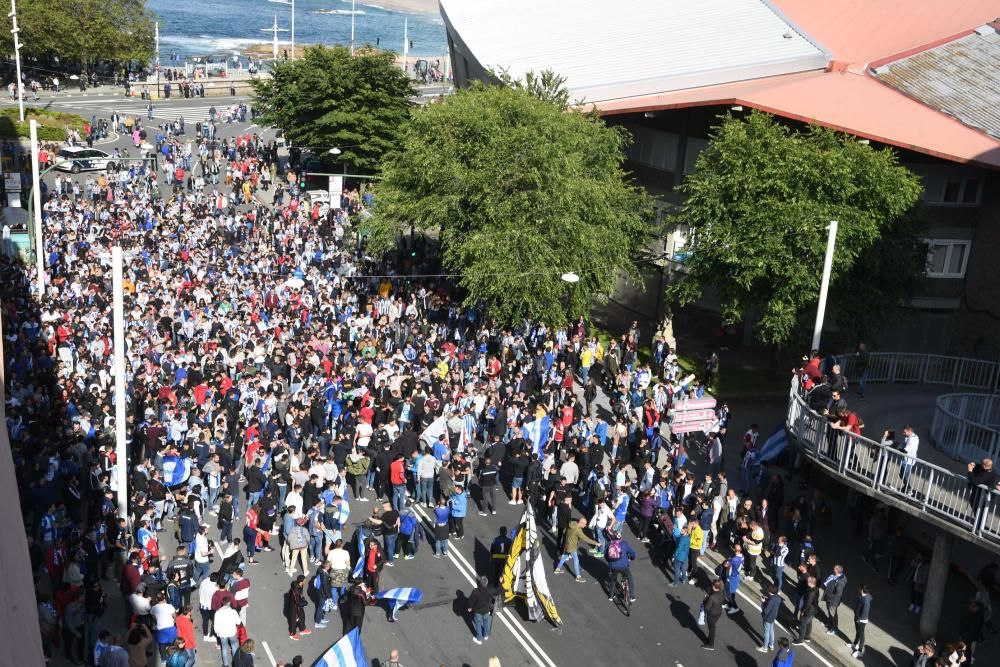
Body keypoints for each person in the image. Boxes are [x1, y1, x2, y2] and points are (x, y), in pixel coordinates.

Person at [554, 517, 598, 582]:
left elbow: (564, 531)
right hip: (572, 547)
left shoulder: (571, 524)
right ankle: (578, 576)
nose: (585, 526)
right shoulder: (578, 530)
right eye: (585, 524)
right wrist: (596, 543)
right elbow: (585, 539)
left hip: (566, 545)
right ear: (581, 523)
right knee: (576, 560)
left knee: (565, 557)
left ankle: (557, 569)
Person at [604, 529, 637, 602]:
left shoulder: (609, 544)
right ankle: (632, 596)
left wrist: (610, 562)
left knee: (613, 579)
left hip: (613, 566)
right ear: (620, 537)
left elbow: (606, 556)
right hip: (624, 566)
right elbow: (633, 553)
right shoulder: (625, 544)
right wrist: (632, 558)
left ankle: (611, 596)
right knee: (630, 578)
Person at [467, 576, 497, 645]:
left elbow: (471, 601)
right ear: (487, 583)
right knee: (486, 623)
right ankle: (486, 635)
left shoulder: (475, 591)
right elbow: (497, 591)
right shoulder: (490, 590)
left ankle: (479, 639)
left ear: (479, 583)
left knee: (478, 624)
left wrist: (470, 607)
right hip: (487, 611)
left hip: (478, 611)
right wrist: (501, 583)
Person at [213, 598, 241, 667]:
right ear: (228, 603)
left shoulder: (218, 613)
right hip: (232, 632)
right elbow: (238, 622)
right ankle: (235, 663)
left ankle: (225, 664)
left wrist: (217, 633)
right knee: (234, 646)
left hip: (223, 634)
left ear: (222, 603)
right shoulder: (233, 612)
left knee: (224, 648)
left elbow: (216, 625)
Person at [792, 576, 819, 645]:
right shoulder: (816, 589)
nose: (807, 583)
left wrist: (803, 611)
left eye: (808, 582)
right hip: (813, 610)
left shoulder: (810, 593)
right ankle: (807, 636)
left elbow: (807, 603)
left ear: (811, 583)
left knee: (802, 624)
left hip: (807, 610)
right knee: (809, 622)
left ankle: (800, 640)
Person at [822, 564, 847, 635]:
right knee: (830, 612)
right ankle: (829, 623)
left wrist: (833, 602)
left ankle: (834, 628)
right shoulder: (834, 575)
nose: (833, 568)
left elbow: (838, 594)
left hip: (833, 601)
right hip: (829, 598)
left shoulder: (840, 582)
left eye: (835, 568)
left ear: (837, 570)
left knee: (833, 614)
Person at [701, 578, 725, 650]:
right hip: (718, 612)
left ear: (714, 587)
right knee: (712, 627)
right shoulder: (722, 593)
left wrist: (705, 600)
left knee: (711, 629)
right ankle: (709, 640)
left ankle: (711, 645)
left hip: (711, 614)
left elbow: (707, 608)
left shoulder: (712, 597)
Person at [284, 576, 310, 640]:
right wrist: (304, 603)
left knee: (302, 616)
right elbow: (297, 601)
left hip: (297, 606)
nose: (305, 581)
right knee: (294, 621)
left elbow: (300, 596)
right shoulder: (296, 589)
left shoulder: (299, 586)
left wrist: (302, 599)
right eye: (304, 580)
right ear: (301, 581)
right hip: (294, 608)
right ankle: (292, 634)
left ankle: (302, 629)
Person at [851, 583, 872, 658]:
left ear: (862, 590)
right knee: (858, 632)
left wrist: (858, 619)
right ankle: (855, 644)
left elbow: (864, 613)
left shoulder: (865, 601)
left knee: (861, 634)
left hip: (861, 620)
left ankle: (860, 650)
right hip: (858, 618)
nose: (858, 589)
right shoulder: (863, 596)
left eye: (859, 588)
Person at [759, 584, 781, 653]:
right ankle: (771, 644)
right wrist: (766, 601)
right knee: (771, 630)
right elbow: (772, 604)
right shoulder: (778, 598)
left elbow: (766, 611)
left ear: (770, 592)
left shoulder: (771, 600)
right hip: (773, 617)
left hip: (768, 618)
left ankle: (765, 647)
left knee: (766, 632)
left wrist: (763, 603)